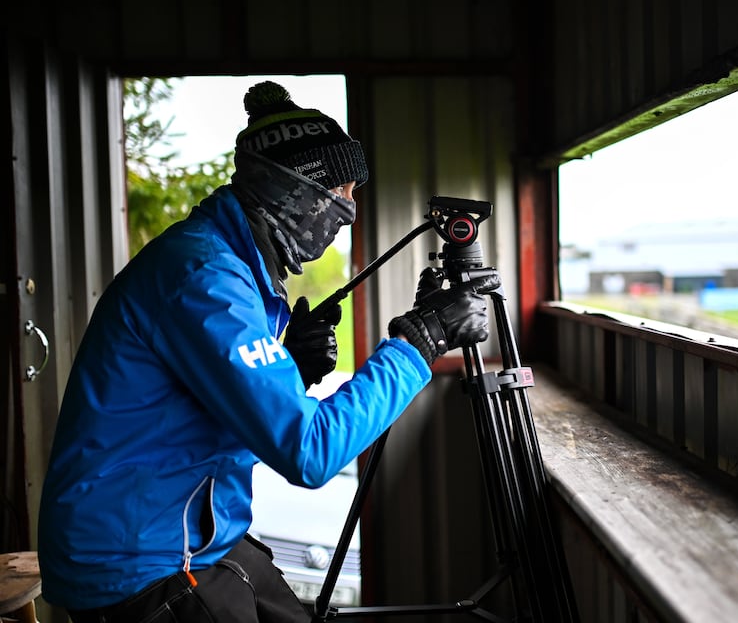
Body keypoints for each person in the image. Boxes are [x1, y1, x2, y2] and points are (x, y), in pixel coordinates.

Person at [38, 81, 496, 622]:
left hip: (195, 531)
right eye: (342, 193)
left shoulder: (234, 265)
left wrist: (292, 368)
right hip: (136, 557)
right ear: (298, 192)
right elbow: (309, 453)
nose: (348, 211)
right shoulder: (204, 277)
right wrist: (421, 343)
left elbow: (207, 414)